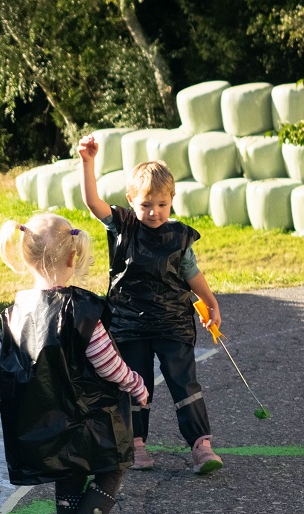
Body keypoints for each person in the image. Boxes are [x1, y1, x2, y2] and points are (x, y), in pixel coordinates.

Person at [0, 212, 149, 514]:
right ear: (72, 256)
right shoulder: (80, 309)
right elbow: (107, 363)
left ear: (26, 256)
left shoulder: (19, 309)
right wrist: (135, 383)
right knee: (115, 463)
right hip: (85, 414)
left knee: (69, 472)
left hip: (45, 417)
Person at [77, 134, 224, 475]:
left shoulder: (179, 236)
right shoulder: (122, 226)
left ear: (172, 200)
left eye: (161, 204)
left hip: (173, 322)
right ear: (131, 201)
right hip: (130, 324)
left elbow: (192, 273)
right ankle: (135, 443)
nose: (154, 212)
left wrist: (211, 302)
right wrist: (88, 162)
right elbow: (93, 203)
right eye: (145, 205)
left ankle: (201, 445)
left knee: (184, 381)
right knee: (133, 381)